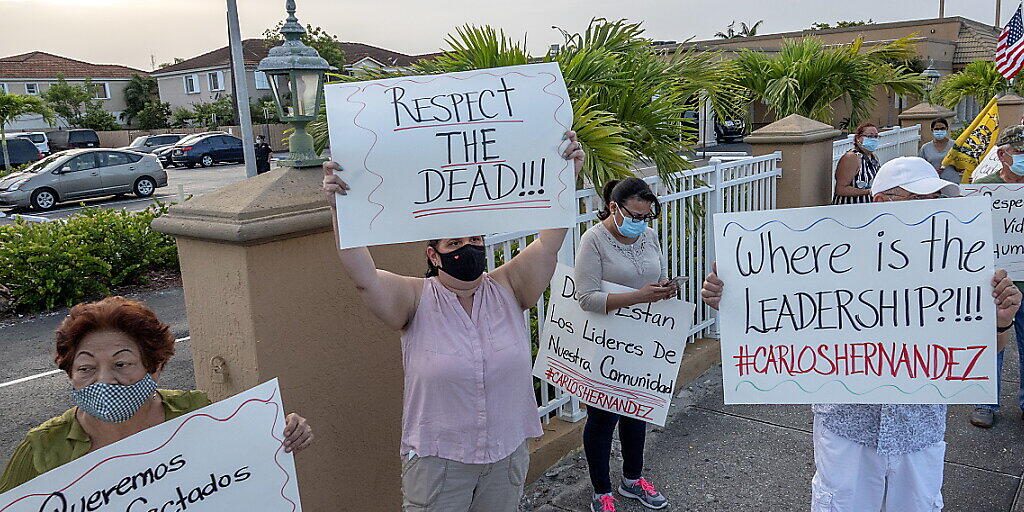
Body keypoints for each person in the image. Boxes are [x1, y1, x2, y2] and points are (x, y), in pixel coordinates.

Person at [700, 156, 1022, 512]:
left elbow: (987, 348)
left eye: (937, 199)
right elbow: (784, 315)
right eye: (919, 199)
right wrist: (732, 302)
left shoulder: (957, 262)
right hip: (847, 425)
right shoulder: (828, 256)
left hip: (920, 428)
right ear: (881, 202)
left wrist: (1000, 321)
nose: (932, 209)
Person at [321, 131, 585, 512]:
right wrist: (338, 208)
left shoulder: (508, 287)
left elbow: (548, 243)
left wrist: (565, 177)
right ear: (434, 254)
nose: (469, 249)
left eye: (475, 239)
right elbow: (364, 276)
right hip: (439, 462)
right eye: (455, 244)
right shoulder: (414, 297)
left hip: (505, 455)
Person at [0, 296, 314, 492]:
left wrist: (281, 433)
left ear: (155, 369)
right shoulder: (41, 449)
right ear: (69, 373)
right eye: (86, 368)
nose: (105, 381)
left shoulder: (195, 414)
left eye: (122, 363)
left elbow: (244, 466)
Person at [573, 177, 677, 512]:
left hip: (642, 340)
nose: (640, 223)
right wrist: (639, 296)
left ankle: (632, 480)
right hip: (605, 344)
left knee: (637, 412)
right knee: (602, 418)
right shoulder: (593, 240)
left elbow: (652, 275)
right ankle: (601, 490)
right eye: (634, 215)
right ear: (613, 207)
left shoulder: (648, 235)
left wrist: (663, 288)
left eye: (646, 216)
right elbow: (586, 298)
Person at [969, 125, 1024, 428]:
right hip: (994, 283)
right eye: (1019, 151)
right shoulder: (984, 187)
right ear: (1003, 154)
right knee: (992, 342)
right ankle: (985, 402)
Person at [833, 123, 881, 205]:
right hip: (850, 208)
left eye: (876, 136)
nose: (873, 139)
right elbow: (841, 189)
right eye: (869, 136)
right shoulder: (851, 157)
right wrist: (868, 191)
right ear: (858, 138)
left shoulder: (873, 157)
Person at [918, 118, 959, 183]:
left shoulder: (954, 145)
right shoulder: (926, 148)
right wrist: (932, 170)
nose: (939, 131)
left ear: (947, 128)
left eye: (942, 128)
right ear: (932, 130)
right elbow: (921, 167)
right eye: (936, 129)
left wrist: (955, 164)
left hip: (952, 182)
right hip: (933, 183)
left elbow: (961, 167)